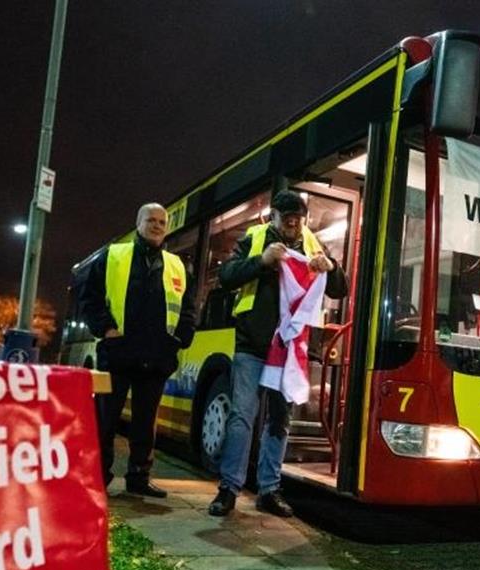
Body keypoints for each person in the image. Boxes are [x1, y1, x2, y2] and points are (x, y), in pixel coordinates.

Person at [207, 190, 348, 517]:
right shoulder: (255, 239)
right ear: (274, 218)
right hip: (252, 345)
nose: (294, 224)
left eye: (298, 219)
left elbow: (339, 288)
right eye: (287, 218)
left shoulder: (313, 244)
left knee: (279, 420)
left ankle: (269, 490)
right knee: (242, 416)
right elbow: (226, 277)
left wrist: (331, 267)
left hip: (289, 349)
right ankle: (228, 488)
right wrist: (262, 261)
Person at [80, 203, 197, 498]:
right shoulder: (114, 255)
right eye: (151, 220)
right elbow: (90, 296)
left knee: (146, 423)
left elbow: (188, 307)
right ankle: (98, 477)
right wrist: (105, 328)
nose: (157, 225)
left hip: (157, 356)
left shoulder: (177, 265)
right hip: (118, 353)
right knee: (105, 421)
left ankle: (139, 477)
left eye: (162, 221)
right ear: (138, 223)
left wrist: (181, 337)